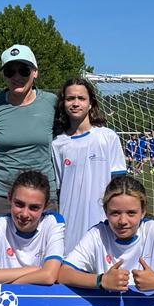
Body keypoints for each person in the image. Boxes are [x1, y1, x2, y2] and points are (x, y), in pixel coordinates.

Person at [58, 174, 154, 292]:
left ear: (143, 211)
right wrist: (101, 280)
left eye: (131, 213)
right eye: (115, 213)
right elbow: (63, 274)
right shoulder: (97, 234)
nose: (123, 221)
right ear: (105, 211)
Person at [0, 44, 57, 223]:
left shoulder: (51, 103)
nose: (17, 77)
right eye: (10, 72)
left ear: (35, 72)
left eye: (23, 70)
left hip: (43, 195)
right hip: (1, 194)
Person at [51, 76, 128, 250]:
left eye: (81, 98)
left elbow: (119, 184)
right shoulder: (58, 144)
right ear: (63, 103)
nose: (75, 103)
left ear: (91, 103)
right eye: (70, 98)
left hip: (103, 221)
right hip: (70, 223)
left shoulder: (107, 137)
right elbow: (59, 188)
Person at [0, 170, 65, 287]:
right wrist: (35, 270)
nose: (25, 214)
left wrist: (9, 283)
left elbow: (49, 276)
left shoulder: (53, 222)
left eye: (34, 207)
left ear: (45, 207)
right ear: (9, 198)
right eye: (19, 204)